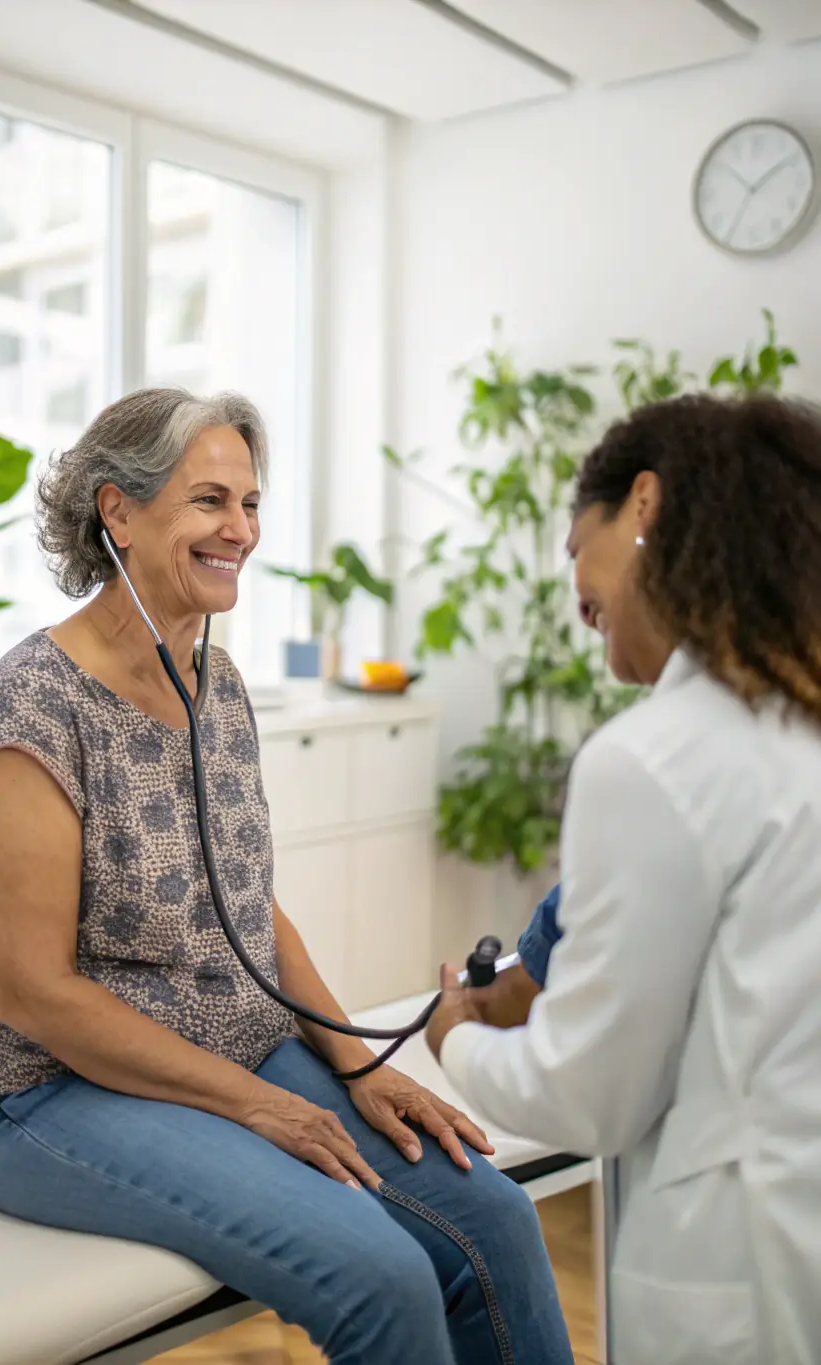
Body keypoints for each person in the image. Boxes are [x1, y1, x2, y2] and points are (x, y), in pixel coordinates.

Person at [0, 387, 574, 1365]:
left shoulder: (216, 684)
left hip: (233, 1048)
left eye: (250, 502)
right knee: (383, 1276)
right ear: (118, 510)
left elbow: (246, 908)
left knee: (496, 1224)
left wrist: (358, 1063)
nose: (241, 528)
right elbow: (32, 994)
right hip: (46, 1091)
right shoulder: (35, 707)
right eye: (208, 501)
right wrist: (255, 1102)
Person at [427, 392, 821, 1365]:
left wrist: (454, 1043)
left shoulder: (651, 758)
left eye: (575, 549)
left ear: (643, 503)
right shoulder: (794, 729)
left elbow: (587, 1099)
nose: (575, 592)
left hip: (739, 1269)